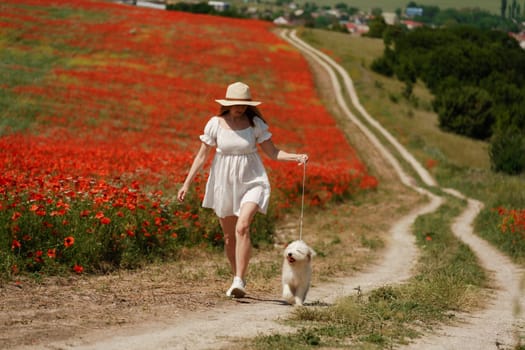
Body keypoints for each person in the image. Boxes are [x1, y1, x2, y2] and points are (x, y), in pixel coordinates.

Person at [177, 81, 308, 298]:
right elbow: (201, 156)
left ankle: (239, 280)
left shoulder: (255, 123)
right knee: (229, 237)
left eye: (244, 104)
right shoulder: (215, 124)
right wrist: (186, 183)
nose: (240, 108)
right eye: (236, 104)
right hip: (224, 182)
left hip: (252, 180)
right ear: (227, 104)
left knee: (243, 227)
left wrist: (296, 156)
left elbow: (272, 152)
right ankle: (238, 276)